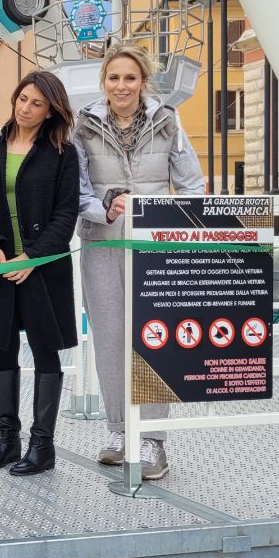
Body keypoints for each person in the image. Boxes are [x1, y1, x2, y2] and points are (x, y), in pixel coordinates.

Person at [74, 43, 204, 479]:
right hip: (102, 244)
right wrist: (104, 211)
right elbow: (78, 190)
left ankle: (152, 439)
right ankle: (118, 430)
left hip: (154, 249)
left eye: (130, 77)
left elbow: (192, 185)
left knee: (154, 339)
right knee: (110, 339)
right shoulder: (83, 126)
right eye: (114, 77)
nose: (121, 86)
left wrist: (174, 230)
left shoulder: (168, 121)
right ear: (103, 81)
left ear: (143, 81)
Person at [0, 71, 80, 475]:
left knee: (46, 350)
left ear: (50, 112)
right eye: (22, 99)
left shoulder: (63, 154)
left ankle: (42, 447)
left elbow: (65, 215)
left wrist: (31, 257)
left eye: (37, 104)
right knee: (2, 347)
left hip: (41, 267)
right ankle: (7, 440)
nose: (26, 108)